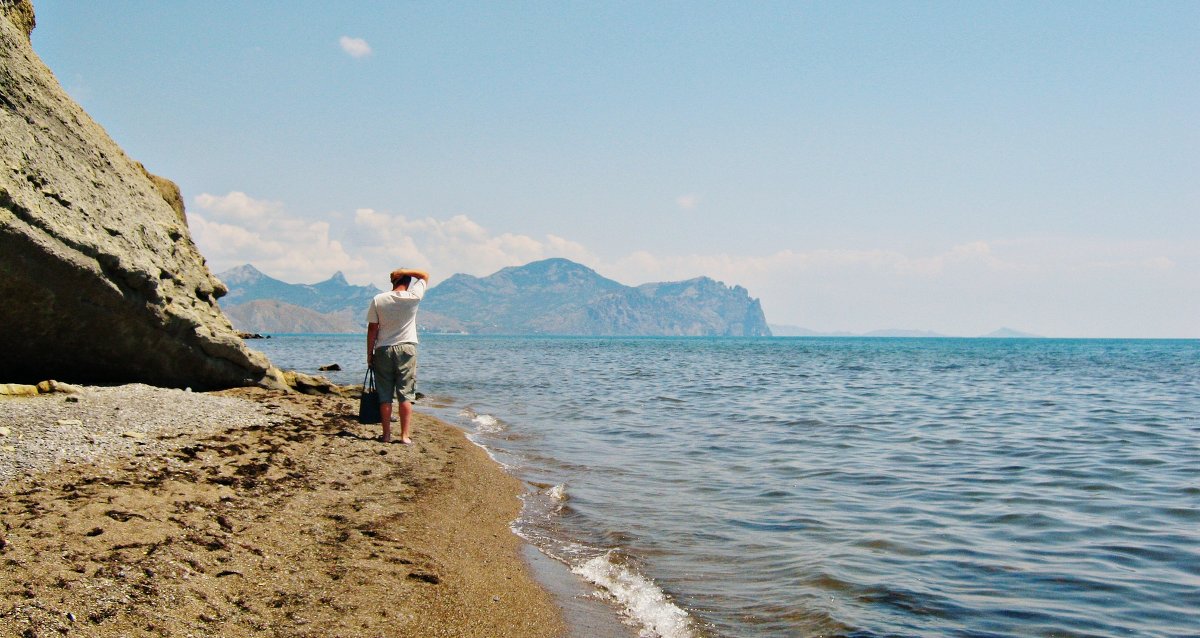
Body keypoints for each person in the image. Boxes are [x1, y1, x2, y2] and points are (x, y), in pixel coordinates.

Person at [366, 267, 429, 444]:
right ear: (408, 283)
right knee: (405, 393)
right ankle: (404, 436)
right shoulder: (413, 297)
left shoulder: (379, 299)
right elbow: (424, 275)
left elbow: (372, 329)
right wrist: (406, 271)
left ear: (393, 281)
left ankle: (386, 435)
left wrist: (369, 354)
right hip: (407, 348)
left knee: (385, 395)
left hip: (383, 348)